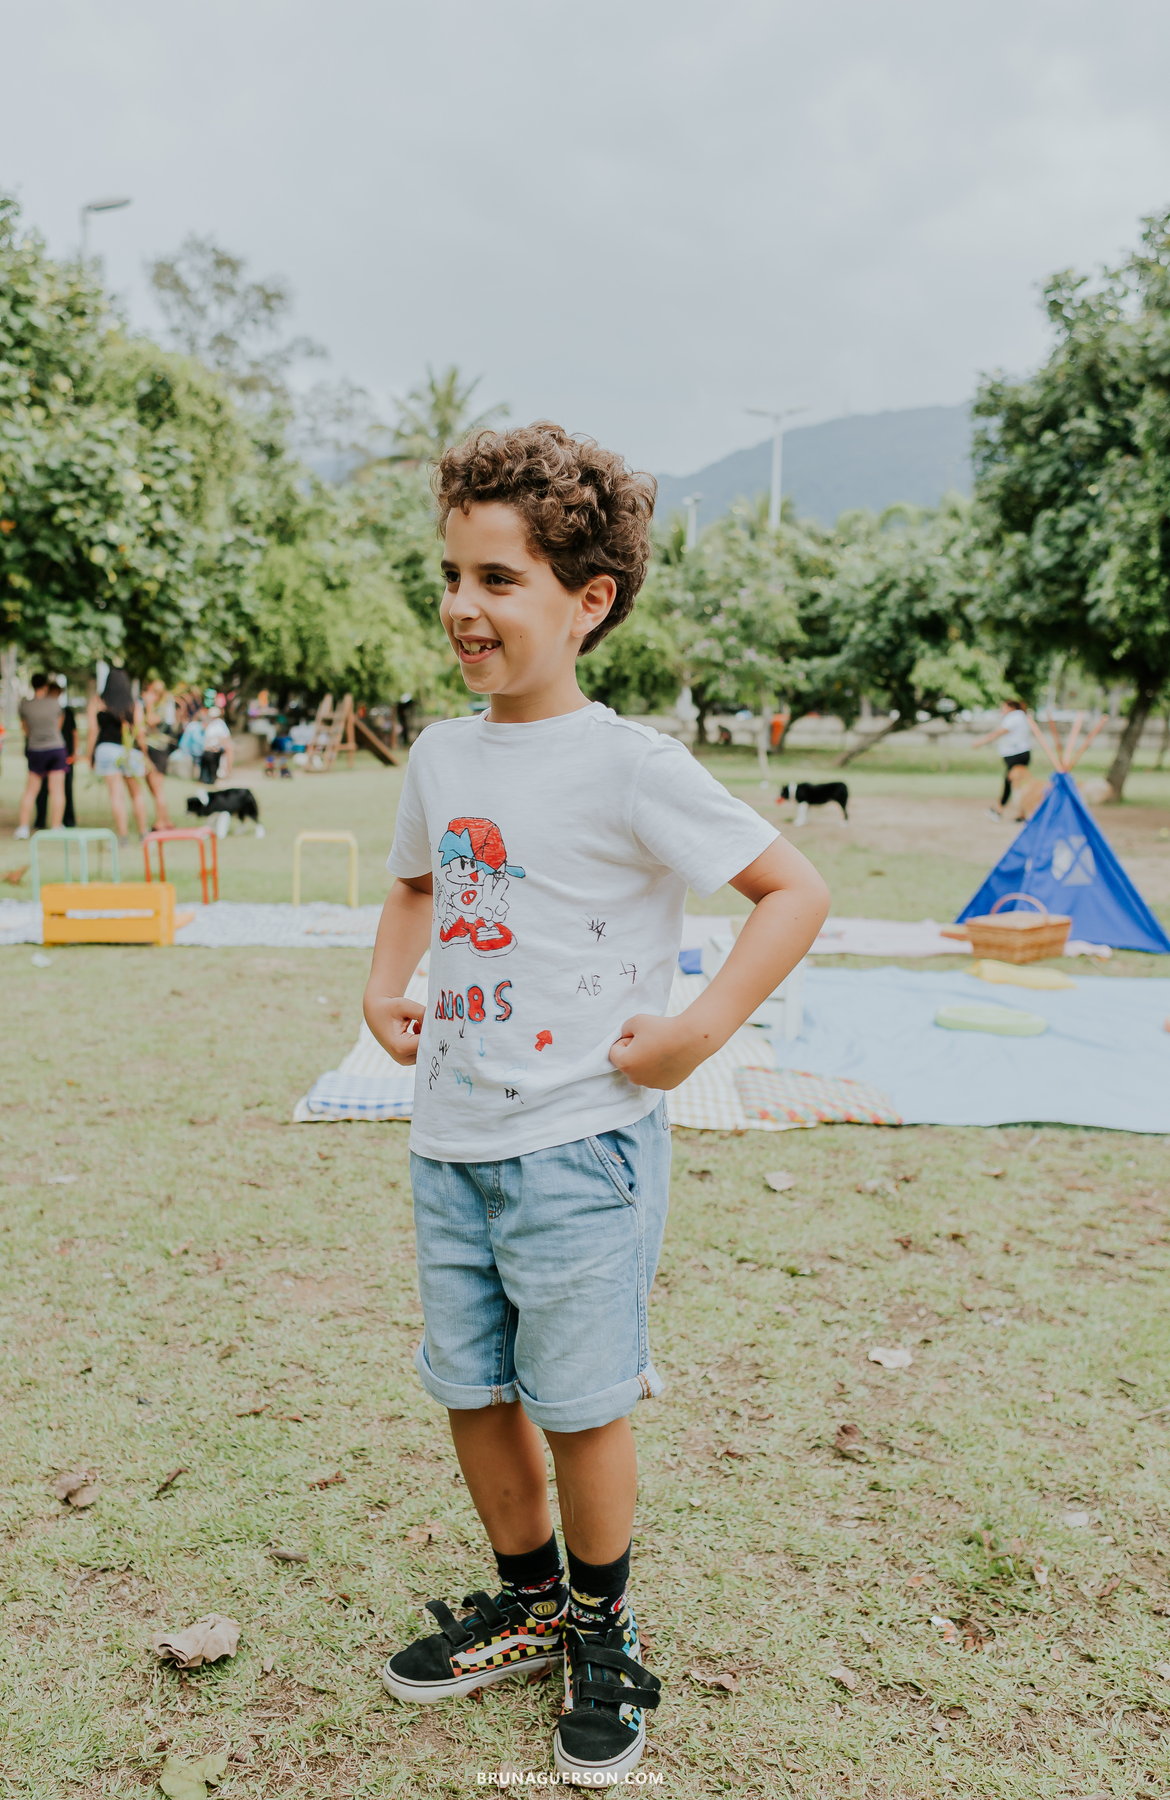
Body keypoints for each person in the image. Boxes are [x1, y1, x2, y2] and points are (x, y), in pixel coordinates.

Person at [363, 423, 829, 1782]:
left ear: (589, 601)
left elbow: (790, 891)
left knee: (580, 1403)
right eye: (450, 574)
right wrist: (384, 987)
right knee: (469, 1388)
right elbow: (411, 887)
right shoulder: (443, 757)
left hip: (582, 1149)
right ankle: (522, 1598)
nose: (462, 605)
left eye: (498, 580)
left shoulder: (632, 763)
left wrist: (694, 1032)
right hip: (452, 1140)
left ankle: (602, 1629)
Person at [86, 665, 148, 845]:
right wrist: (144, 754)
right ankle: (144, 834)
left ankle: (123, 838)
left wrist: (91, 756)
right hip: (130, 751)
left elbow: (93, 731)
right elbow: (140, 733)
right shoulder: (134, 704)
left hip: (106, 750)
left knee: (116, 796)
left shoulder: (97, 702)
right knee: (137, 795)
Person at [13, 675, 68, 839]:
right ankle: (56, 826)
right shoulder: (55, 703)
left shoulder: (25, 705)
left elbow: (25, 729)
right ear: (46, 685)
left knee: (31, 790)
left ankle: (23, 827)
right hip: (56, 748)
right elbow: (59, 726)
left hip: (35, 749)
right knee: (57, 789)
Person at [974, 698, 1034, 818]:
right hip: (1020, 753)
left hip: (1016, 754)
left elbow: (998, 732)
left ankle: (999, 810)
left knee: (1011, 781)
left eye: (1003, 708)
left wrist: (980, 742)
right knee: (1018, 783)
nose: (1001, 711)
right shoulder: (1020, 716)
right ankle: (1021, 813)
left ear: (1011, 708)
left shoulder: (1014, 717)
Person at [34, 683, 78, 830]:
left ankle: (66, 820)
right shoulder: (45, 711)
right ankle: (41, 821)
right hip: (49, 753)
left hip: (61, 754)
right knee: (42, 790)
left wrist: (73, 753)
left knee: (64, 789)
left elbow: (73, 732)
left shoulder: (65, 711)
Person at [140, 680, 176, 830]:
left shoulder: (162, 708)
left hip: (158, 750)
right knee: (154, 788)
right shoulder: (158, 707)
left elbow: (151, 721)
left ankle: (161, 822)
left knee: (157, 788)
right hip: (153, 750)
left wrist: (148, 704)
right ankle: (166, 820)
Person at [199, 705, 232, 786]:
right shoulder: (208, 723)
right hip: (209, 748)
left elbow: (225, 737)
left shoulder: (219, 723)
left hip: (217, 747)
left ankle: (225, 772)